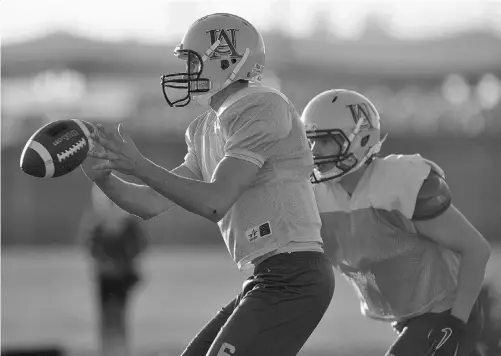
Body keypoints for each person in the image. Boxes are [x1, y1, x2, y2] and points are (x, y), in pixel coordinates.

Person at [81, 13, 335, 356]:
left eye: (193, 61)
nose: (187, 72)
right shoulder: (205, 129)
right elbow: (150, 204)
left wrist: (139, 165)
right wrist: (104, 178)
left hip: (294, 275)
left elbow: (215, 201)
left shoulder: (263, 105)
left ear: (227, 60)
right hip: (267, 277)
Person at [301, 89, 491, 356]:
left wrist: (456, 323)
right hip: (411, 319)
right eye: (310, 142)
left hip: (448, 311)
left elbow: (476, 249)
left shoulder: (398, 181)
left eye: (325, 141)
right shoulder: (317, 196)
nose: (314, 151)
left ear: (361, 139)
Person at [77, 183, 148, 356]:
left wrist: (122, 259)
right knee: (106, 315)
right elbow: (90, 247)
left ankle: (120, 348)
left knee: (120, 313)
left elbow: (138, 246)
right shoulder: (98, 223)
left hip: (121, 277)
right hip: (105, 277)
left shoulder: (126, 223)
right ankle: (107, 349)